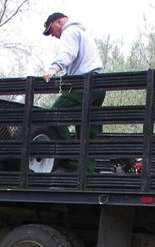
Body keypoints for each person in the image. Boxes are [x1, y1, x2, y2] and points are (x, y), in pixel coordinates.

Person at [42, 12, 105, 172]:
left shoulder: (69, 32)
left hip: (85, 84)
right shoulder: (82, 33)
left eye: (51, 31)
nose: (52, 36)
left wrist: (53, 68)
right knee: (87, 129)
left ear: (58, 22)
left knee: (54, 115)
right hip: (100, 84)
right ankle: (86, 170)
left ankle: (70, 161)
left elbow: (67, 54)